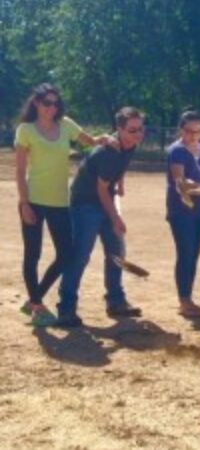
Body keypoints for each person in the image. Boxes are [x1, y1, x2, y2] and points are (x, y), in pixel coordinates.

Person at [14, 83, 113, 327]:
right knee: (32, 255)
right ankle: (37, 305)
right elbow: (19, 172)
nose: (52, 107)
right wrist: (24, 204)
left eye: (56, 103)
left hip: (59, 201)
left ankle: (33, 299)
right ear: (36, 103)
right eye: (47, 103)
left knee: (66, 254)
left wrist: (107, 139)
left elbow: (89, 142)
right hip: (34, 201)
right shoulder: (25, 130)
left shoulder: (66, 125)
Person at [56, 107, 146, 327]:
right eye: (132, 130)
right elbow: (101, 190)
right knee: (80, 256)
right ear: (119, 129)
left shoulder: (130, 144)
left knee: (116, 252)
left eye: (140, 129)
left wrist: (121, 182)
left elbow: (122, 167)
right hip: (86, 203)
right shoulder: (108, 152)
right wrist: (115, 218)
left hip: (104, 197)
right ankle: (66, 309)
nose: (138, 134)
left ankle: (116, 302)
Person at [166, 110, 200, 317]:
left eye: (197, 132)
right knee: (186, 254)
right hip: (181, 211)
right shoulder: (177, 151)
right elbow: (181, 182)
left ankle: (187, 299)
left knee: (193, 255)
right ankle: (184, 301)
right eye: (189, 131)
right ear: (181, 129)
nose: (193, 136)